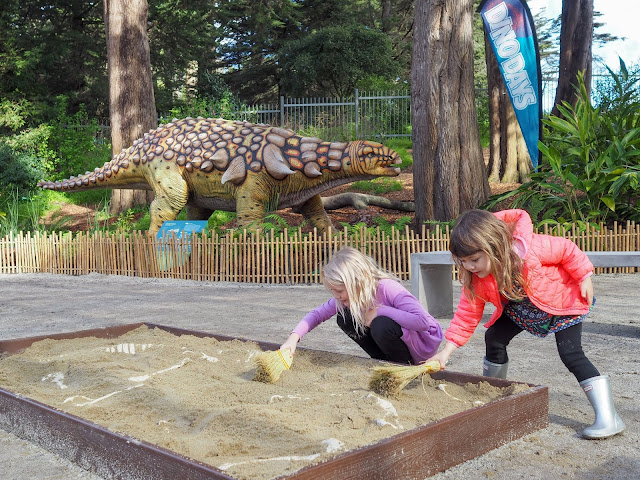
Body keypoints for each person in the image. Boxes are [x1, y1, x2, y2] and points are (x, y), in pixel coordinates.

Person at [428, 209, 625, 439]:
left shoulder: (528, 248)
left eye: (474, 260)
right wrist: (445, 352)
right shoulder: (475, 279)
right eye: (463, 261)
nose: (470, 266)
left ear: (494, 247)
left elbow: (566, 249)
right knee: (494, 337)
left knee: (571, 354)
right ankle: (495, 397)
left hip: (561, 302)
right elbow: (466, 315)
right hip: (524, 309)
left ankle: (608, 417)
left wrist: (583, 276)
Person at [280, 246, 443, 365]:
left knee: (381, 323)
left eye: (339, 291)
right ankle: (382, 362)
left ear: (356, 283)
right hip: (394, 343)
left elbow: (423, 323)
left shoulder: (387, 287)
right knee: (345, 318)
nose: (336, 296)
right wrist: (293, 339)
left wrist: (380, 310)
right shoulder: (346, 298)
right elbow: (317, 314)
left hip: (420, 347)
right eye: (333, 291)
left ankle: (402, 365)